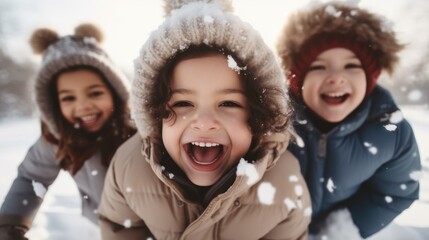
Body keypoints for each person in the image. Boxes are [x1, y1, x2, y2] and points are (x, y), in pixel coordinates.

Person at [98, 0, 312, 239]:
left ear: (258, 115)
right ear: (155, 114)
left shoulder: (283, 181)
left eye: (229, 103)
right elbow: (121, 227)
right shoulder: (129, 168)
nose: (204, 122)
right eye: (182, 103)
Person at [276, 1, 422, 239]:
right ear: (296, 80)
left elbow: (397, 192)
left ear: (371, 78)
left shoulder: (391, 133)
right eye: (319, 67)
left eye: (351, 65)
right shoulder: (273, 122)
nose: (336, 77)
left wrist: (341, 230)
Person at [0, 23, 136, 239]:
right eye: (68, 98)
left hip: (153, 224)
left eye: (94, 93)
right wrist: (10, 225)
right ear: (53, 105)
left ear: (116, 92)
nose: (83, 106)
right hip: (106, 222)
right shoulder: (57, 140)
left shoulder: (138, 131)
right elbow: (31, 177)